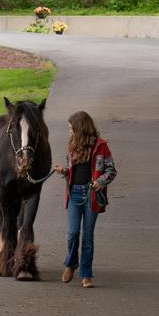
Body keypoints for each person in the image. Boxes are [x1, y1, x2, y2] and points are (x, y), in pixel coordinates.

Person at [54, 109, 116, 288]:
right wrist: (64, 171)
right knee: (73, 233)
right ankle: (72, 263)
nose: (69, 132)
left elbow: (111, 170)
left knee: (87, 236)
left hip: (91, 195)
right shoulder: (72, 144)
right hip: (74, 193)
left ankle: (86, 274)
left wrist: (100, 182)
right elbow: (73, 170)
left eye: (71, 129)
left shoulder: (101, 146)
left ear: (80, 128)